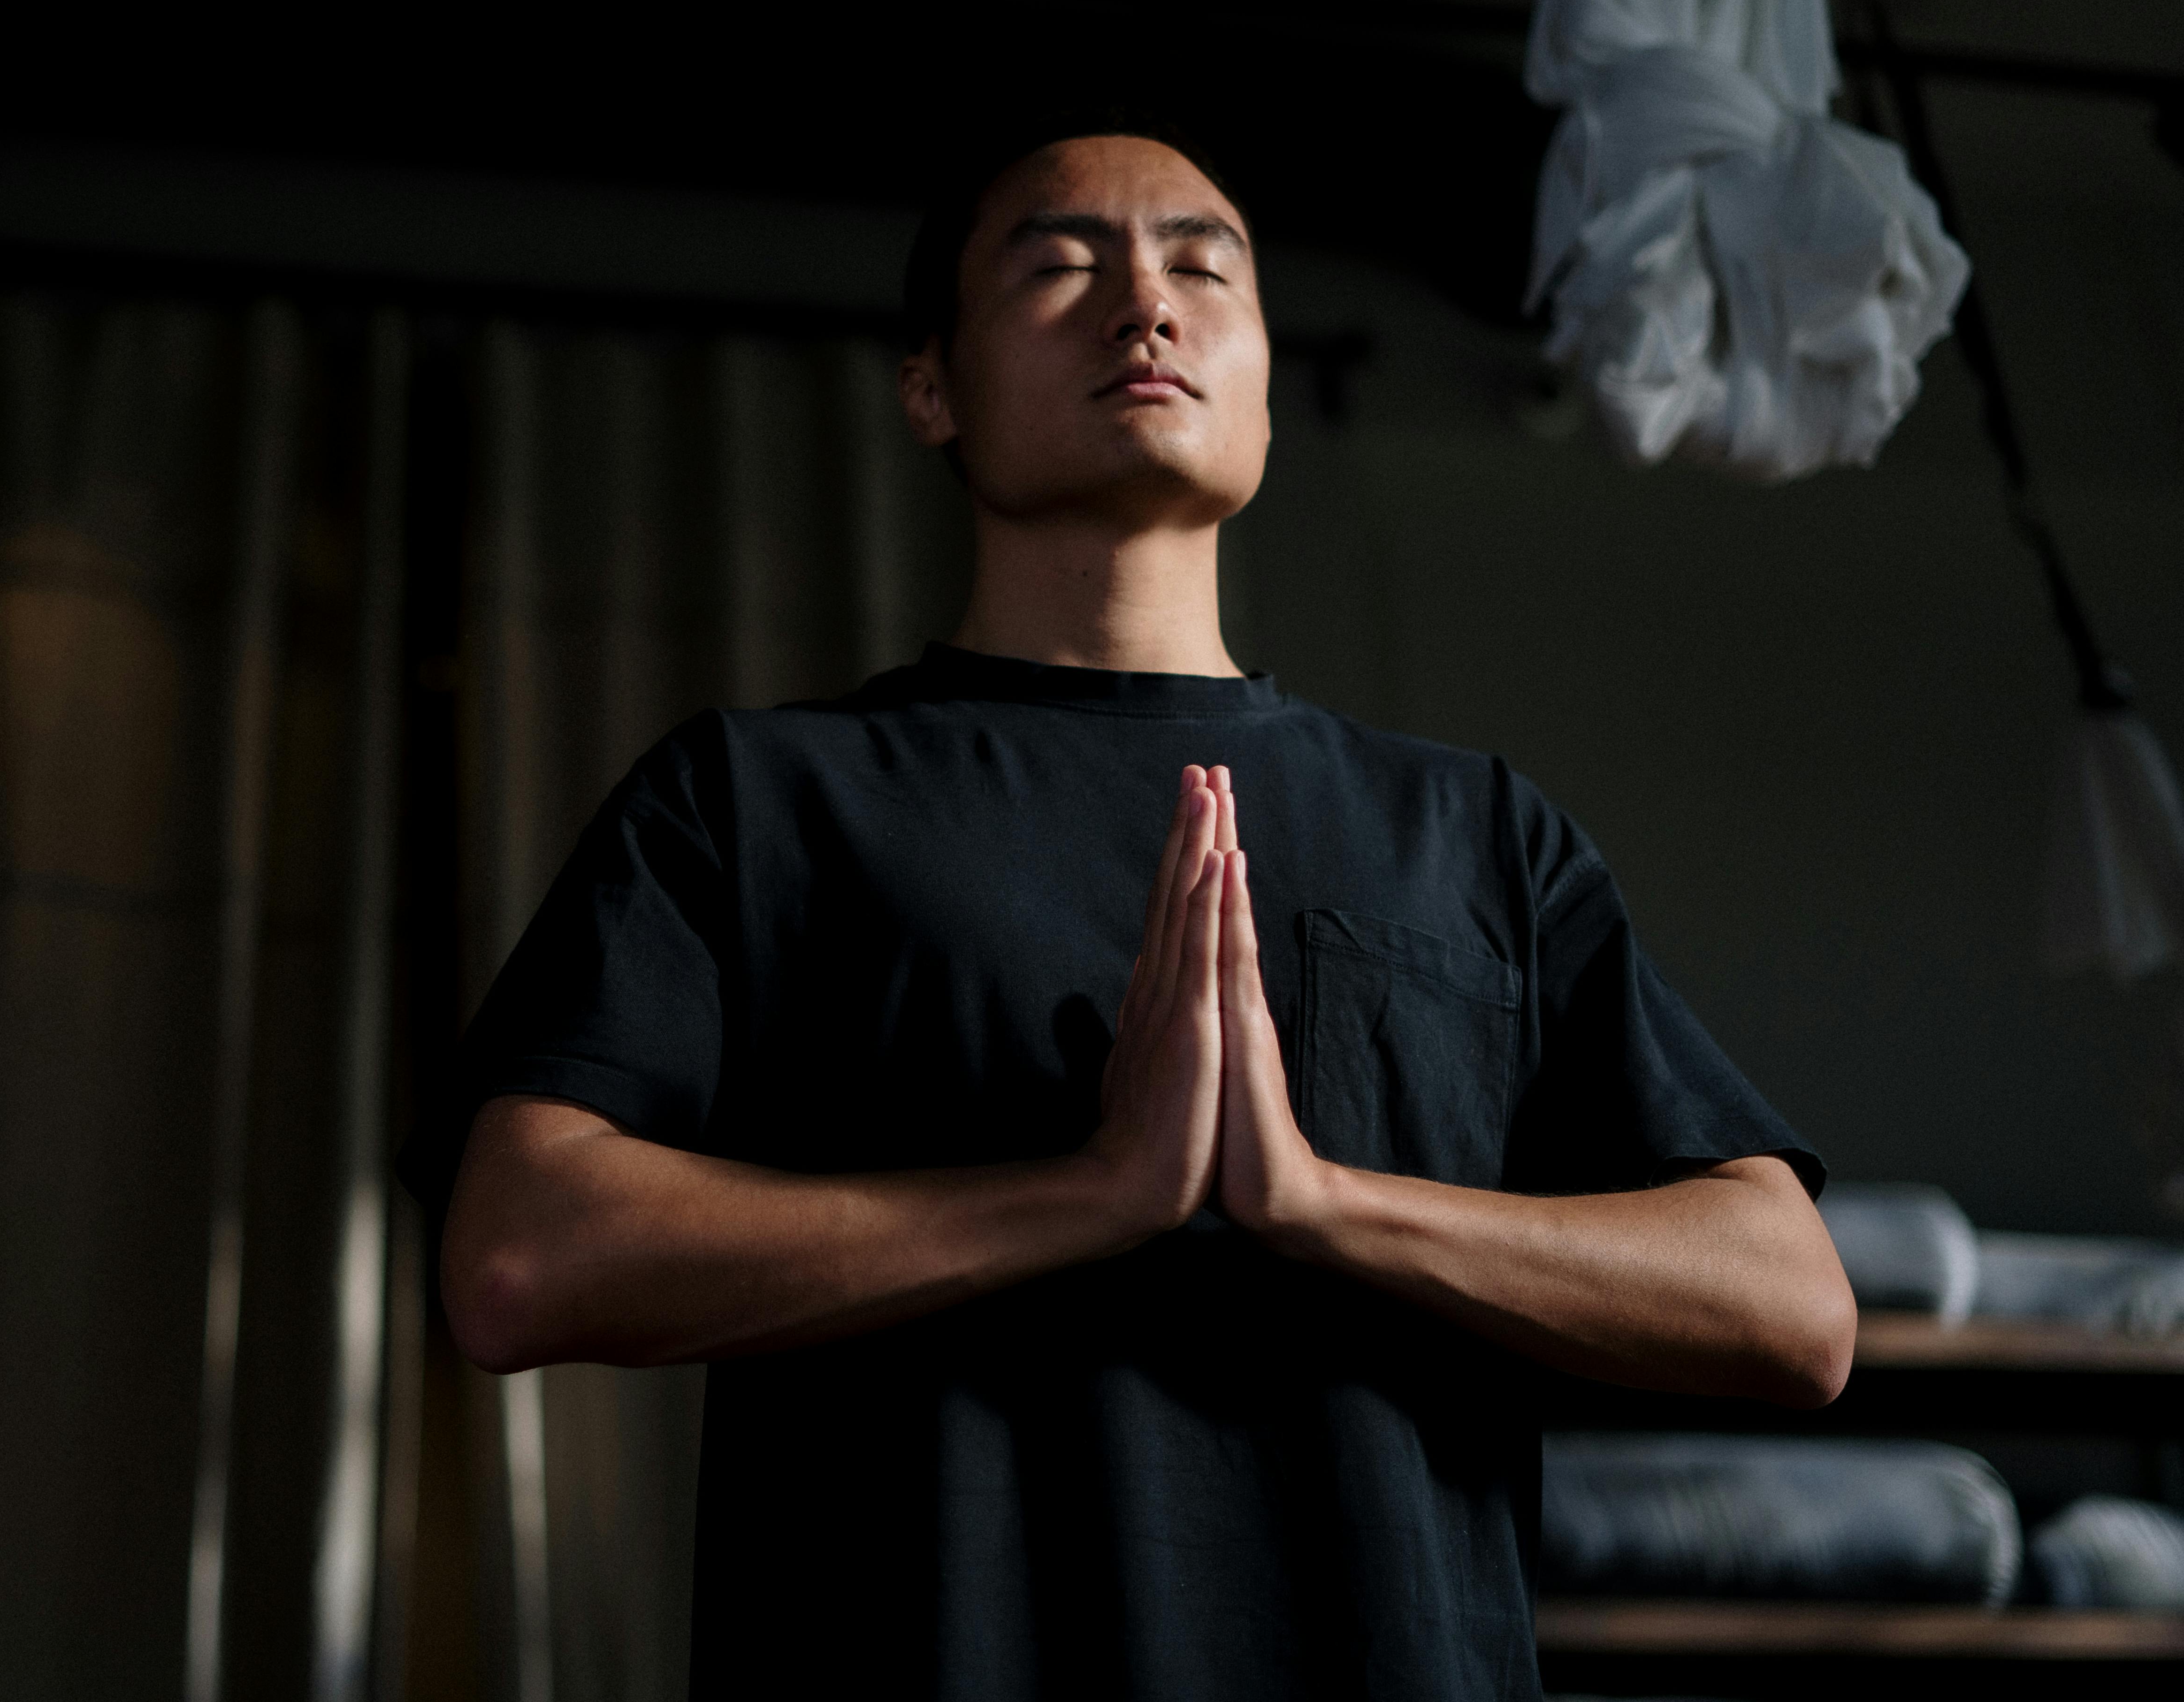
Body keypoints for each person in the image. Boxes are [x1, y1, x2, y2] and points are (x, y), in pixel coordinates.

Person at [404, 118, 1856, 1700]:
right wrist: (1090, 1193)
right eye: (1060, 264)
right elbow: (518, 1259)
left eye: (1200, 265)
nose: (1145, 305)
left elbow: (1788, 1305)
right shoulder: (760, 804)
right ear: (932, 389)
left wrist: (1320, 1204)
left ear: (1265, 386)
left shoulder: (1476, 834)